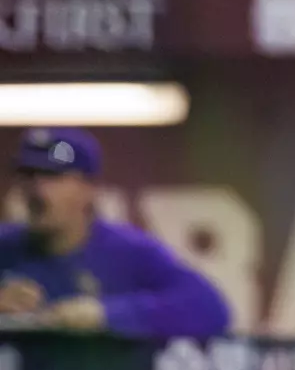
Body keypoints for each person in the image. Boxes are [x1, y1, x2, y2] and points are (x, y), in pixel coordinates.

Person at [0, 127, 230, 335]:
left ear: (89, 188)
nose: (36, 190)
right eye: (28, 175)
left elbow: (209, 308)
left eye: (52, 177)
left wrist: (107, 314)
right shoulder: (5, 246)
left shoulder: (127, 252)